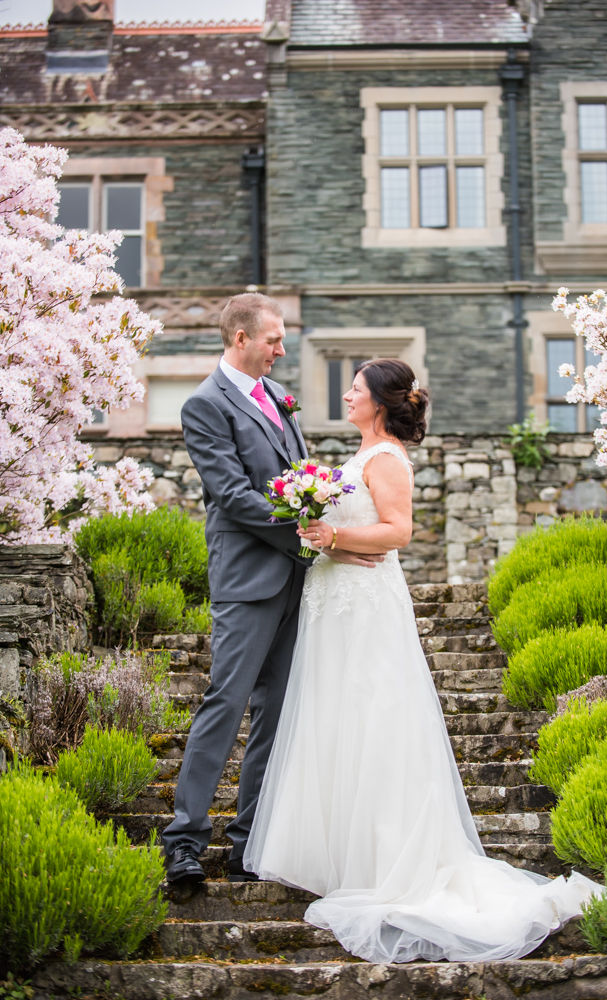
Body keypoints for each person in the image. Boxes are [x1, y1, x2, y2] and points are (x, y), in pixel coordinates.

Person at [244, 357, 603, 963]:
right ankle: (343, 854)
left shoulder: (386, 459)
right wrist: (323, 534)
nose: (346, 395)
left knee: (373, 718)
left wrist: (333, 537)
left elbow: (398, 532)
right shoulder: (360, 455)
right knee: (335, 718)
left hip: (364, 606)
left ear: (380, 402)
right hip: (334, 598)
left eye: (355, 388)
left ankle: (387, 860)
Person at [162, 293, 381, 885]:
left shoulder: (278, 398)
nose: (282, 350)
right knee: (225, 703)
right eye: (273, 340)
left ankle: (249, 843)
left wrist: (325, 533)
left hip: (298, 579)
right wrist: (313, 538)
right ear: (241, 338)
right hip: (248, 579)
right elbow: (232, 496)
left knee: (278, 712)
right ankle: (183, 842)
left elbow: (295, 480)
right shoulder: (205, 404)